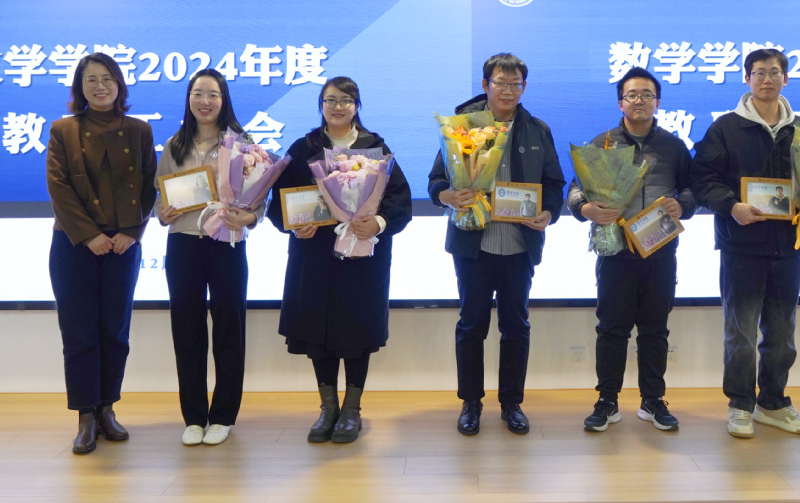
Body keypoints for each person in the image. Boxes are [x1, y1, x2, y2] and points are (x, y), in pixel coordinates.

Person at [267, 76, 412, 444]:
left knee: (357, 333)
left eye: (346, 100)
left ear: (356, 106)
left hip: (362, 256)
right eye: (330, 100)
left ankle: (352, 409)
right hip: (314, 256)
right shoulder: (305, 148)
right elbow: (278, 201)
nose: (337, 107)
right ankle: (328, 407)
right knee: (318, 333)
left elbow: (399, 201)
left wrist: (378, 223)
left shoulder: (374, 148)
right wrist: (294, 225)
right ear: (320, 105)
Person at [428, 52, 565, 436]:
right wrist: (445, 197)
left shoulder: (537, 130)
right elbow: (437, 179)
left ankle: (511, 403)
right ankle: (471, 403)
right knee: (472, 324)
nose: (508, 90)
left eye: (515, 84)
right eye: (500, 83)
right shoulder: (463, 127)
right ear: (486, 85)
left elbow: (554, 184)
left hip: (520, 244)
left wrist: (548, 213)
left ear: (524, 87)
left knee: (516, 325)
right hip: (474, 244)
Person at [691, 48, 800, 439]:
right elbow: (703, 178)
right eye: (759, 72)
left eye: (774, 72)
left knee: (782, 333)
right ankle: (741, 405)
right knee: (741, 333)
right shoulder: (725, 128)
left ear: (786, 79)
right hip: (741, 245)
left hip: (789, 245)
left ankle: (773, 403)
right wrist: (731, 206)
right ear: (747, 79)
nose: (767, 79)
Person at [567, 67, 696, 433]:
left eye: (647, 95)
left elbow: (693, 189)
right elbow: (575, 189)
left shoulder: (673, 146)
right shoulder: (602, 143)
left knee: (655, 329)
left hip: (659, 249)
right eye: (632, 95)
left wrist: (682, 205)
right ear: (620, 102)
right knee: (612, 329)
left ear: (658, 102)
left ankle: (653, 401)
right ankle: (607, 401)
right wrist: (585, 209)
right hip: (615, 251)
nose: (640, 101)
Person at [46, 52, 157, 454]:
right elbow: (59, 188)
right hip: (74, 245)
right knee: (79, 332)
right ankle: (85, 416)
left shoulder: (140, 130)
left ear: (119, 84)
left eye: (107, 79)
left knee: (115, 330)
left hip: (123, 245)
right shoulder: (63, 130)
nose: (100, 86)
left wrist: (132, 232)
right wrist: (89, 235)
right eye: (91, 80)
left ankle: (107, 408)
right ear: (80, 88)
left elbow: (150, 185)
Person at [155, 68, 262, 446]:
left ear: (223, 99)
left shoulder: (242, 144)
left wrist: (249, 217)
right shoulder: (175, 145)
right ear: (188, 99)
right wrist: (162, 214)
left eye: (212, 94)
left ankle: (223, 415)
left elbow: (259, 197)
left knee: (230, 325)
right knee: (186, 327)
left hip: (226, 243)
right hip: (183, 243)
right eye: (198, 93)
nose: (205, 101)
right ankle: (194, 417)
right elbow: (160, 197)